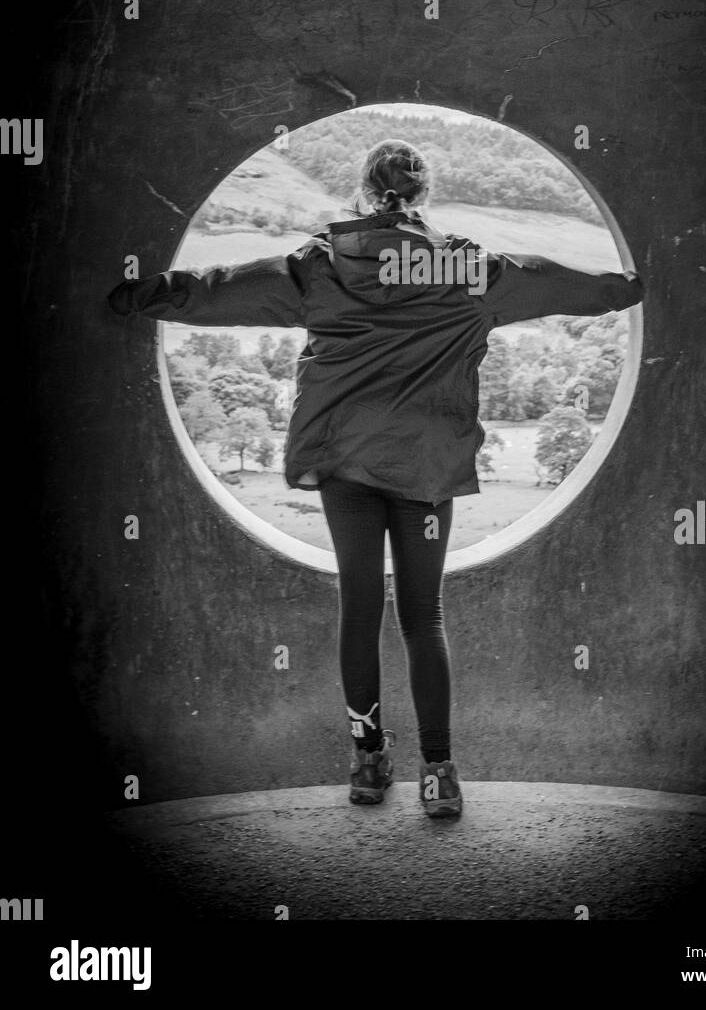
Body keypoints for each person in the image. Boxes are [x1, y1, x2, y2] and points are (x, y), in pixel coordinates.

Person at [108, 137, 644, 818]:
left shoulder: (321, 265)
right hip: (426, 468)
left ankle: (367, 763)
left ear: (366, 193)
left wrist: (135, 295)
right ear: (423, 195)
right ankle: (439, 775)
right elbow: (566, 283)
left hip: (345, 462)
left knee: (359, 608)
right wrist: (630, 286)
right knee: (423, 616)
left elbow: (216, 292)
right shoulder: (469, 267)